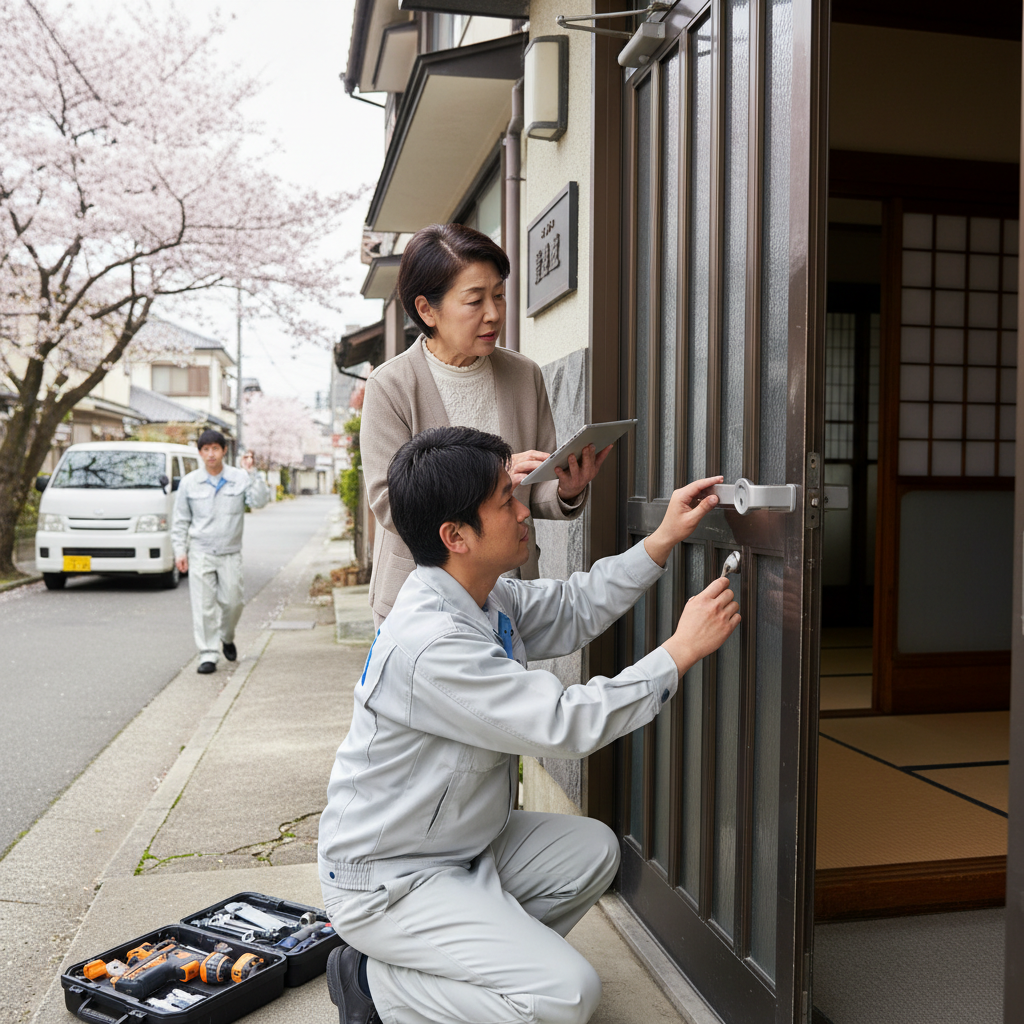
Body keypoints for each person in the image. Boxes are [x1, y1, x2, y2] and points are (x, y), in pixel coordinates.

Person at [318, 426, 739, 1024]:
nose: (524, 511)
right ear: (455, 536)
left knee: (594, 849)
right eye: (504, 502)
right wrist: (678, 652)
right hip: (392, 878)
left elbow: (574, 606)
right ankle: (375, 985)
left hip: (459, 848)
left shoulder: (482, 596)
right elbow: (565, 723)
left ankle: (477, 969)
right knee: (568, 996)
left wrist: (664, 538)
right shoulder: (433, 642)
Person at [360, 222, 611, 628]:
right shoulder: (390, 386)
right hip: (419, 599)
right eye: (474, 301)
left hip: (509, 592)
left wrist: (566, 488)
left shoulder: (523, 374)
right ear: (427, 310)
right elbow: (392, 503)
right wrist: (492, 478)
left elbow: (532, 486)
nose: (494, 314)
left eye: (499, 295)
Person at [171, 429, 269, 673]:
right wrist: (179, 551)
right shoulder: (190, 483)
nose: (211, 454)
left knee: (233, 602)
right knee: (203, 606)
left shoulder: (239, 478)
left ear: (224, 450)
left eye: (215, 448)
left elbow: (259, 502)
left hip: (230, 552)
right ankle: (208, 654)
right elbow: (181, 520)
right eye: (206, 449)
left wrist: (252, 473)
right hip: (201, 551)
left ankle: (227, 636)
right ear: (200, 452)